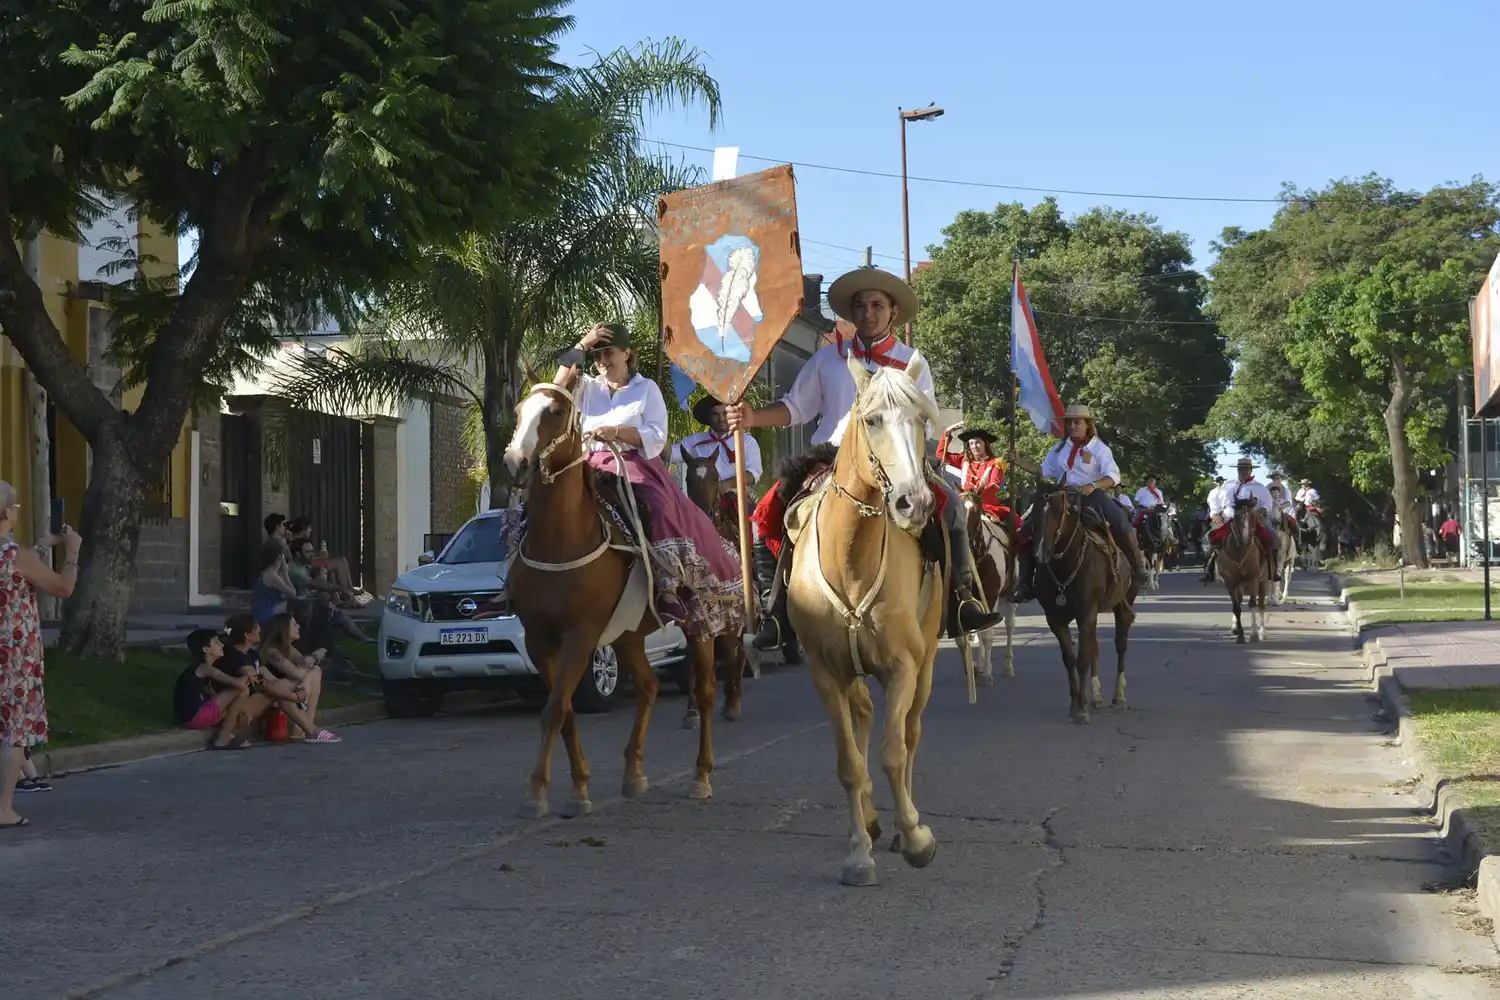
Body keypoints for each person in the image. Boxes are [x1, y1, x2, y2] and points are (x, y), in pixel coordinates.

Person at [724, 266, 1003, 643]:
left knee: (952, 506)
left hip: (898, 455)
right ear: (851, 315)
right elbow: (796, 408)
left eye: (876, 305)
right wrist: (752, 416)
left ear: (892, 312)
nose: (868, 313)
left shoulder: (911, 363)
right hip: (830, 457)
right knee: (766, 515)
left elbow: (926, 420)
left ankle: (961, 599)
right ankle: (777, 612)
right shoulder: (827, 360)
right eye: (860, 306)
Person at [551, 323, 745, 636]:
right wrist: (582, 344)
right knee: (545, 497)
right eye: (597, 354)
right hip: (589, 461)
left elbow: (656, 437)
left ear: (627, 354)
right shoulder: (586, 386)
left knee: (655, 504)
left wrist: (616, 432)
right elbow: (558, 386)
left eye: (608, 353)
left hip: (634, 462)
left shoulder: (646, 390)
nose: (602, 360)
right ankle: (515, 582)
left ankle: (667, 587)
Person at [0, 483, 80, 830]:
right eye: (14, 505)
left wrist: (43, 545)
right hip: (14, 653)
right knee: (13, 730)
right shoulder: (17, 555)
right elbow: (63, 587)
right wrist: (73, 552)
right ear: (5, 513)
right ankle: (3, 809)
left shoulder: (20, 555)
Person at [1011, 405, 1147, 603]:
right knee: (1028, 530)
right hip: (1063, 495)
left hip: (1092, 494)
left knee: (1120, 519)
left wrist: (1093, 485)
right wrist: (1020, 461)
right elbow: (1043, 471)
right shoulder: (1058, 448)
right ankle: (1025, 582)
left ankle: (1137, 565)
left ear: (1087, 425)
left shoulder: (1100, 448)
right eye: (1069, 422)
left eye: (1077, 422)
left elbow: (1113, 477)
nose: (1072, 426)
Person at [173, 628, 258, 749]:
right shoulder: (205, 668)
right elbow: (238, 684)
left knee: (236, 700)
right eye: (216, 642)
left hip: (190, 718)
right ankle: (223, 738)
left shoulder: (202, 669)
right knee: (242, 691)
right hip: (195, 718)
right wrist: (248, 675)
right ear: (206, 649)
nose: (222, 645)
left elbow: (211, 694)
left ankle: (227, 733)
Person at [936, 424, 1018, 531]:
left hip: (986, 505)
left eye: (978, 442)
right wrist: (947, 432)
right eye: (971, 443)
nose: (974, 446)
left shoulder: (996, 463)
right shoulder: (963, 460)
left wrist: (975, 499)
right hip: (963, 503)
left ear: (985, 444)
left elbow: (993, 485)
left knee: (1014, 528)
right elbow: (940, 455)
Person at [1211, 457, 1280, 580]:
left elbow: (1267, 505)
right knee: (1211, 535)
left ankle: (1273, 568)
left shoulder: (1260, 488)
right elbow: (1216, 500)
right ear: (1237, 470)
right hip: (1230, 515)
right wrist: (1214, 513)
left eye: (1246, 469)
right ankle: (1211, 566)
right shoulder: (1228, 485)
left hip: (1253, 517)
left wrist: (1261, 511)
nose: (1243, 471)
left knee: (1272, 536)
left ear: (1251, 470)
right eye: (1240, 469)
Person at [673, 395, 764, 487]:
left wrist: (724, 485)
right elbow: (670, 453)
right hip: (703, 499)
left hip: (737, 499)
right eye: (715, 414)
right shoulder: (695, 441)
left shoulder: (747, 442)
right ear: (708, 417)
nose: (721, 419)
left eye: (725, 413)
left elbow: (753, 474)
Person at [1200, 476, 1229, 583]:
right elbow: (1212, 504)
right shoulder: (1212, 493)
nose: (1219, 483)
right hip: (1216, 514)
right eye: (1217, 482)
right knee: (1208, 534)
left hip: (1228, 513)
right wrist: (1216, 514)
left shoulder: (1229, 491)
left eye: (1221, 481)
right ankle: (1208, 569)